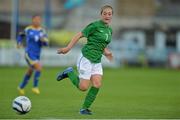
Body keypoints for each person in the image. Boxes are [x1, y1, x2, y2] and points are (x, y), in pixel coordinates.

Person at [56, 5, 113, 115]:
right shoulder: (94, 25)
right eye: (105, 13)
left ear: (111, 16)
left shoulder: (109, 30)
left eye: (109, 14)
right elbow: (79, 35)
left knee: (97, 84)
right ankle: (69, 72)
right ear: (101, 14)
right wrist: (67, 48)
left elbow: (101, 44)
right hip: (86, 58)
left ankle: (84, 109)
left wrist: (107, 53)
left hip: (97, 60)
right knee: (83, 87)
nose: (107, 15)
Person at [17, 15, 49, 95]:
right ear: (32, 20)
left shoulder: (42, 31)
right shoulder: (28, 29)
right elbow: (20, 35)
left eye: (39, 19)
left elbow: (46, 43)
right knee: (39, 67)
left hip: (37, 54)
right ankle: (35, 87)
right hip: (29, 53)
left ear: (40, 21)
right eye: (35, 19)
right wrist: (19, 43)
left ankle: (21, 87)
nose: (37, 21)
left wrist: (43, 40)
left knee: (30, 71)